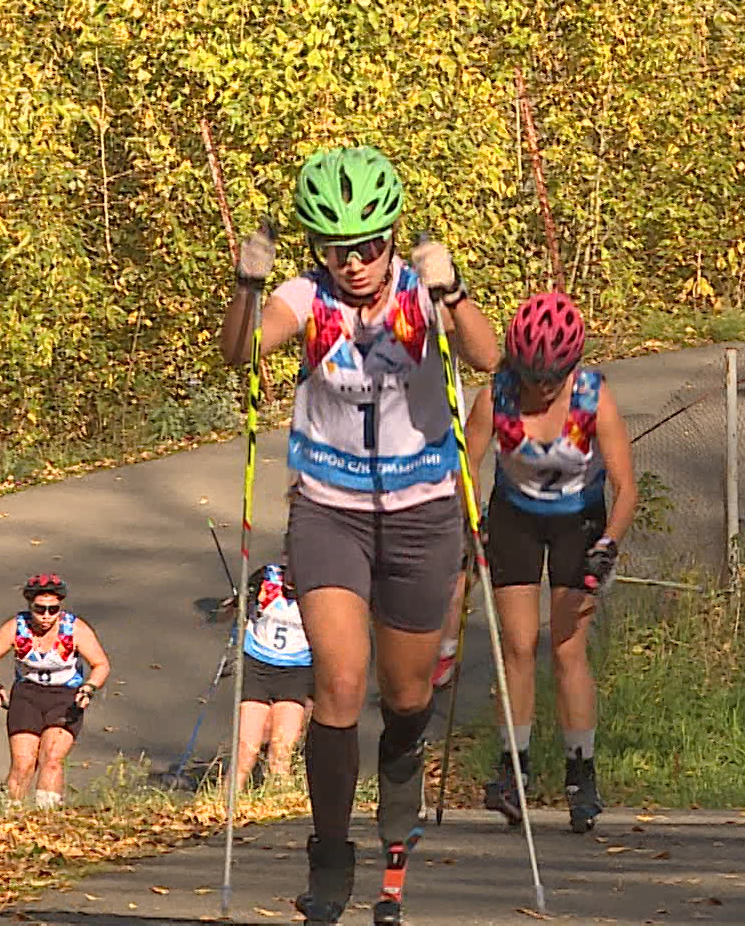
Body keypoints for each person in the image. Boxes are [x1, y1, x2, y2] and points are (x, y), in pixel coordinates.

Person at [218, 145, 500, 924]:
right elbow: (240, 352)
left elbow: (490, 359)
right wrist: (247, 285)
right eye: (341, 248)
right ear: (320, 249)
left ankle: (400, 787)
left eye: (372, 245)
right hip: (329, 511)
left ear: (392, 238)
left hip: (420, 513)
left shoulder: (419, 293)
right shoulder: (305, 297)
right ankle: (332, 854)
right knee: (338, 687)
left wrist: (456, 291)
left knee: (404, 696)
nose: (358, 262)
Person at [461, 291, 638, 834]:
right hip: (514, 516)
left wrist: (607, 545)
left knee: (566, 649)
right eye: (532, 375)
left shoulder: (592, 396)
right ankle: (512, 771)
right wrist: (467, 522)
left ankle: (581, 774)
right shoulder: (497, 395)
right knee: (516, 646)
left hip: (577, 521)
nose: (540, 388)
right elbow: (463, 467)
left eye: (551, 378)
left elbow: (627, 487)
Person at [0, 573, 110, 810]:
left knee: (51, 759)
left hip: (66, 698)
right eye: (40, 609)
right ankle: (10, 816)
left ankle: (47, 818)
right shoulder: (16, 627)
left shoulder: (74, 628)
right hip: (27, 697)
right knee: (23, 763)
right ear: (30, 605)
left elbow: (101, 664)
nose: (46, 616)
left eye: (53, 609)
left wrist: (89, 688)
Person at [225, 560, 313, 789]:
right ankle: (224, 804)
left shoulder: (317, 589)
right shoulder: (267, 577)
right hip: (258, 666)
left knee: (281, 752)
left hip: (296, 671)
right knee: (246, 749)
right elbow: (231, 610)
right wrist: (240, 601)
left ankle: (280, 808)